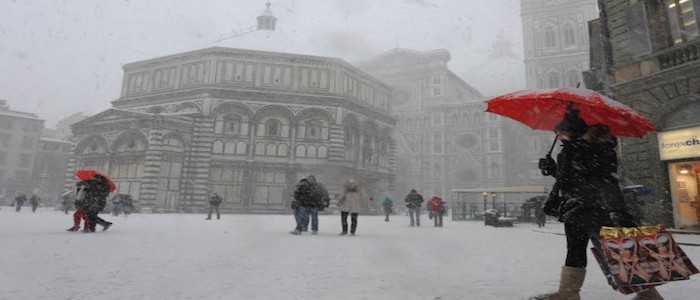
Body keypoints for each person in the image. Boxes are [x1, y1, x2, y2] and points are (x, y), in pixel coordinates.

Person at [531, 109, 662, 300]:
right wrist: (555, 169)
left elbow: (580, 180)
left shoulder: (583, 149)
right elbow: (579, 179)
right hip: (587, 208)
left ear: (570, 131)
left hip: (588, 209)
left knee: (603, 251)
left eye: (560, 132)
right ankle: (569, 293)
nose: (558, 137)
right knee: (593, 250)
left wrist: (556, 167)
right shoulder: (588, 149)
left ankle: (647, 294)